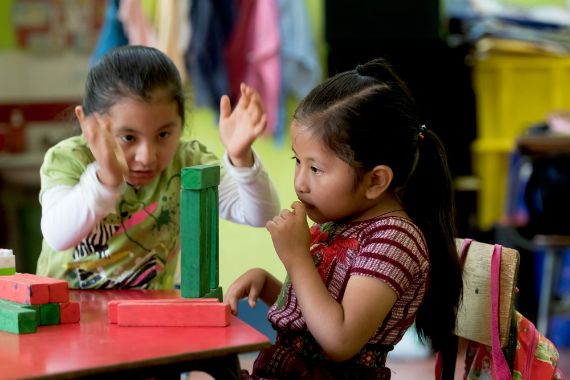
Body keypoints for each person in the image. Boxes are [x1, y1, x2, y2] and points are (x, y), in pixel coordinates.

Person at [225, 58, 463, 379]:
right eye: (298, 161)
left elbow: (339, 339)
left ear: (375, 180)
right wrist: (269, 285)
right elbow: (320, 311)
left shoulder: (394, 239)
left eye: (316, 169)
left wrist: (297, 258)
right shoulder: (338, 221)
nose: (300, 182)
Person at [36, 45, 280, 290]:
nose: (147, 156)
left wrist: (241, 159)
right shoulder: (69, 159)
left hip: (150, 317)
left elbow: (261, 215)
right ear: (88, 123)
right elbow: (58, 236)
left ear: (181, 123)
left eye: (163, 134)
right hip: (66, 314)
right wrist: (105, 181)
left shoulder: (187, 162)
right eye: (128, 138)